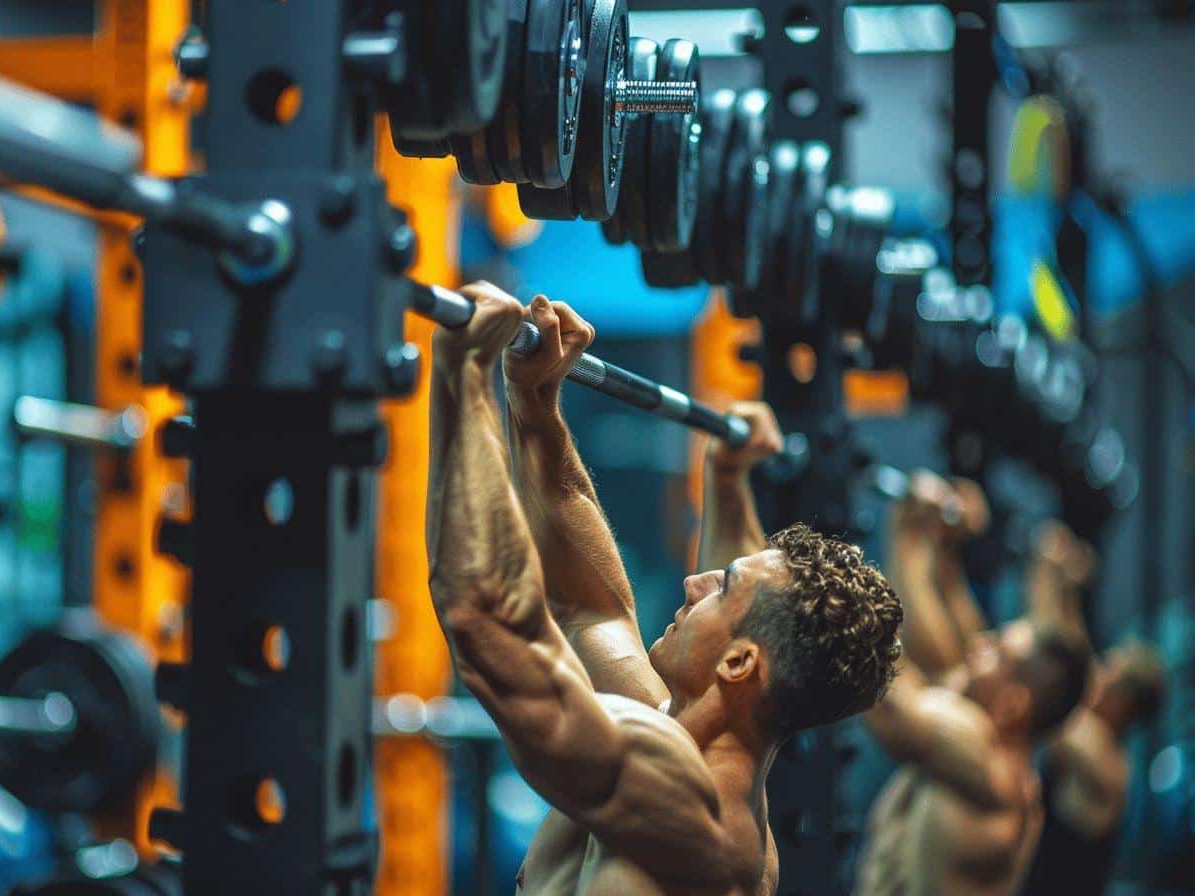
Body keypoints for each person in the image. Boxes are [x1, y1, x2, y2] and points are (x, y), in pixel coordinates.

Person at [425, 283, 904, 895]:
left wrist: (462, 373)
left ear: (738, 662)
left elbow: (484, 619)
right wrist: (534, 399)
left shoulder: (691, 809)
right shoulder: (669, 729)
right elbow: (588, 606)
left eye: (723, 584)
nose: (695, 580)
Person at [856, 471, 1093, 896]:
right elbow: (940, 647)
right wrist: (942, 550)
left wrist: (906, 533)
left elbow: (885, 698)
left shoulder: (984, 764)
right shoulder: (989, 748)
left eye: (996, 653)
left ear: (1012, 705)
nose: (978, 644)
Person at [1019, 521, 1166, 896]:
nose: (1097, 676)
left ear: (1123, 704)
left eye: (1108, 676)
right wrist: (1067, 587)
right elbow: (1076, 654)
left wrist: (1045, 567)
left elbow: (1056, 676)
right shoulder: (1098, 733)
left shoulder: (1104, 764)